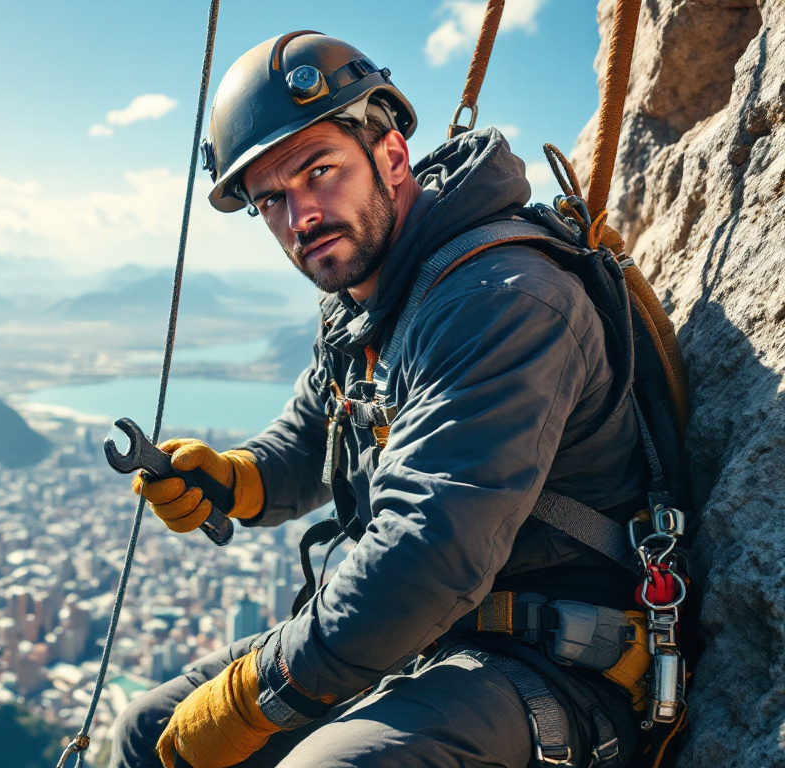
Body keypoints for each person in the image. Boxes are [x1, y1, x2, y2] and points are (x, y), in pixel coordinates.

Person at [110, 31, 645, 768]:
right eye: (271, 200)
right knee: (148, 734)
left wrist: (257, 694)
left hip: (555, 665)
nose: (300, 218)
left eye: (318, 171)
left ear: (391, 156)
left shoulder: (504, 299)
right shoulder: (367, 300)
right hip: (427, 643)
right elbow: (309, 440)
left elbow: (429, 549)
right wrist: (234, 477)